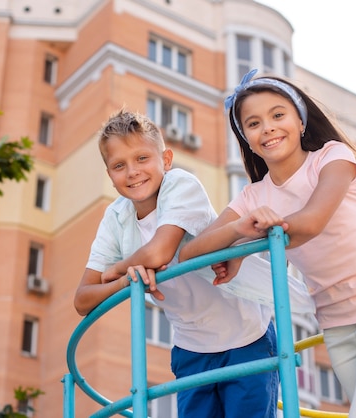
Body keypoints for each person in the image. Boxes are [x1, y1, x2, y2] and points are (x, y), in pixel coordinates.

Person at [179, 69, 356, 418]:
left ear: (301, 120)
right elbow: (191, 251)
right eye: (253, 123)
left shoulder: (332, 158)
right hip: (337, 322)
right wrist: (238, 232)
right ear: (245, 138)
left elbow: (311, 222)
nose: (268, 128)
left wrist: (253, 236)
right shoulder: (254, 196)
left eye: (278, 115)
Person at [73, 109, 278, 418]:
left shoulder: (181, 184)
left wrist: (117, 268)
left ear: (165, 160)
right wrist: (127, 280)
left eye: (142, 158)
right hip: (192, 346)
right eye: (119, 165)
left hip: (246, 334)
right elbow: (82, 299)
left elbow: (159, 253)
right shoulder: (115, 217)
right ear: (110, 176)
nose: (132, 172)